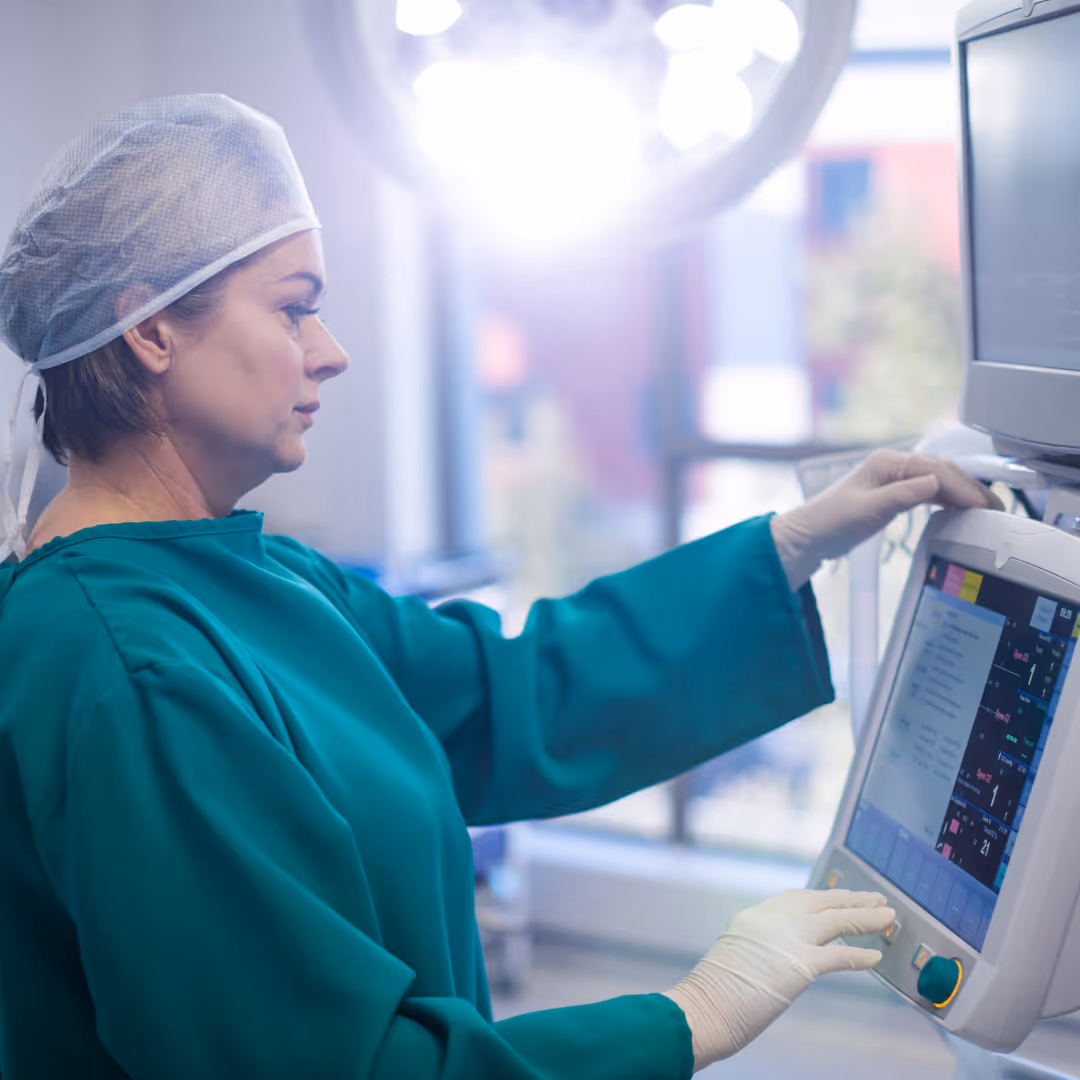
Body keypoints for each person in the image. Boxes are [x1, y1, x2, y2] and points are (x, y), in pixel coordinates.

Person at [0, 95, 1000, 1080]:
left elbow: (507, 697)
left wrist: (790, 546)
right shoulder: (128, 674)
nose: (332, 351)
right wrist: (684, 1020)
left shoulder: (247, 574)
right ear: (150, 332)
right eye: (295, 307)